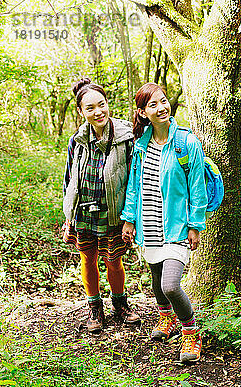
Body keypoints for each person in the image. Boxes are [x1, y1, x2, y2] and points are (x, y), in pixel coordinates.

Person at [121, 83, 207, 363]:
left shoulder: (187, 143)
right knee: (157, 280)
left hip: (177, 227)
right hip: (149, 226)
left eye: (163, 101)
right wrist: (129, 220)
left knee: (171, 284)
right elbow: (134, 185)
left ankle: (191, 331)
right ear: (143, 113)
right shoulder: (141, 145)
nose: (161, 108)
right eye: (153, 105)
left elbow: (197, 186)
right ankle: (165, 319)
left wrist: (195, 224)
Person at [62, 77, 140, 333]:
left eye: (102, 104)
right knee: (87, 259)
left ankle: (120, 305)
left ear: (108, 104)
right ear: (80, 111)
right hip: (84, 211)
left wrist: (130, 217)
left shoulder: (126, 136)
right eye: (90, 108)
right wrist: (68, 217)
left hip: (113, 213)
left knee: (114, 261)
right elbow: (69, 180)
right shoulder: (77, 140)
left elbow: (135, 180)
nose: (98, 112)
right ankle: (95, 309)